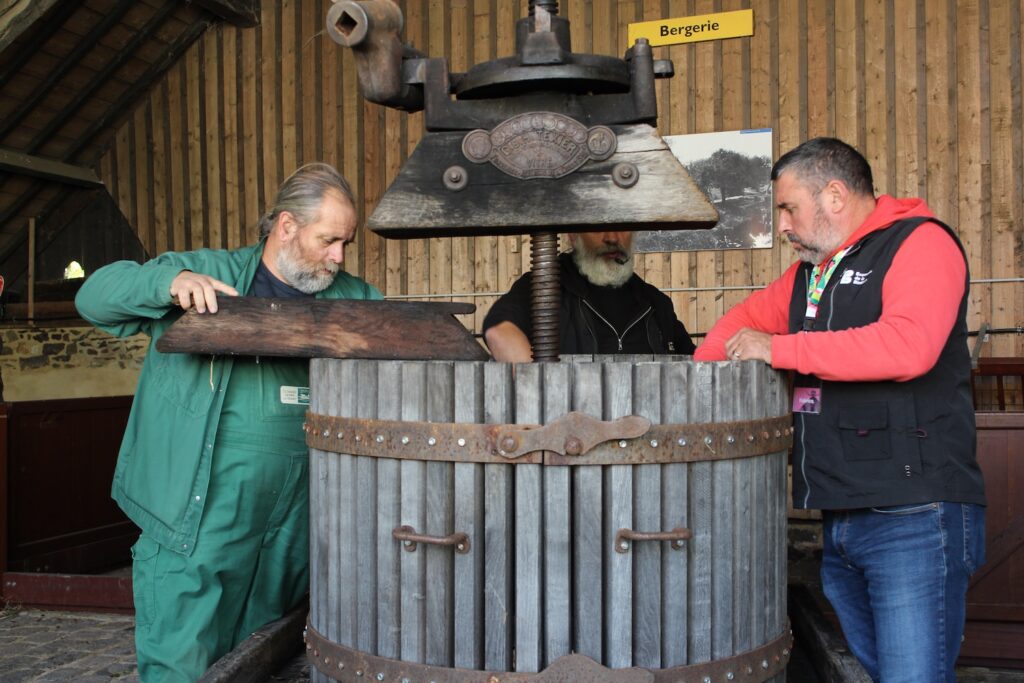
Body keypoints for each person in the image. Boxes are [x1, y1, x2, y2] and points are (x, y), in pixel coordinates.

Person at [75, 163, 383, 682]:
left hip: (293, 523)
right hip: (200, 513)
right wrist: (168, 282)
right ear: (286, 226)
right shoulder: (202, 272)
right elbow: (95, 298)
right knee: (182, 655)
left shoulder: (353, 298)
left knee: (263, 655)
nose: (339, 256)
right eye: (329, 240)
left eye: (345, 243)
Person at [695, 137, 986, 682]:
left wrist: (777, 348)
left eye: (788, 208)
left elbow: (908, 346)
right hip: (842, 513)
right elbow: (737, 325)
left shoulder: (919, 244)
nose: (781, 225)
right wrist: (694, 387)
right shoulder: (813, 273)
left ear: (833, 194)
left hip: (915, 513)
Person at [483, 231, 696, 361]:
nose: (613, 238)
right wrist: (549, 400)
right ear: (574, 237)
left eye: (622, 227)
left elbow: (693, 364)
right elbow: (500, 332)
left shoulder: (655, 302)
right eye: (599, 226)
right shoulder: (542, 286)